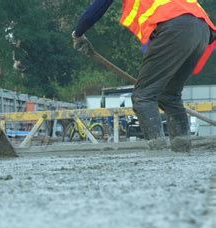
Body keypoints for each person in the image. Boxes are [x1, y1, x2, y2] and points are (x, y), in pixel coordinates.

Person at [72, 0, 215, 152]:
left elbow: (97, 7)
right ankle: (182, 148)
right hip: (202, 30)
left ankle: (158, 151)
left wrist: (78, 33)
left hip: (175, 26)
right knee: (169, 96)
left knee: (143, 96)